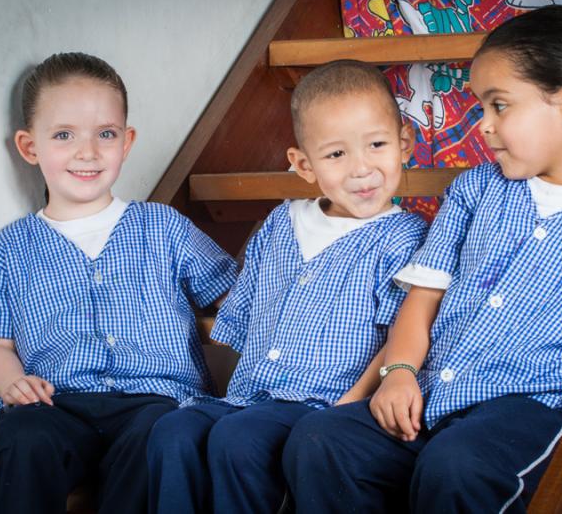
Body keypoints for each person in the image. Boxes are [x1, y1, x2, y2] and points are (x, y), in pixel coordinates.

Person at [282, 6, 562, 514]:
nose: (483, 126)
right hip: (432, 390)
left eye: (499, 106)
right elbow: (423, 298)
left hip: (524, 406)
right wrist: (398, 370)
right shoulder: (476, 190)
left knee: (459, 467)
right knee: (321, 438)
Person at [147, 60, 428, 514]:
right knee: (172, 431)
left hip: (323, 403)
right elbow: (244, 309)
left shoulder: (404, 237)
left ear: (404, 145)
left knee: (238, 439)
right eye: (336, 155)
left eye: (376, 145)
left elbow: (400, 336)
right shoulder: (281, 222)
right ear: (303, 164)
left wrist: (348, 407)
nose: (361, 169)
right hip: (249, 394)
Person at [0, 52, 238, 514]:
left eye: (105, 134)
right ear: (30, 147)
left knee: (161, 437)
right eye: (64, 135)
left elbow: (232, 296)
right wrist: (13, 383)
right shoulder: (10, 248)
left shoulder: (162, 227)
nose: (87, 152)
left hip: (156, 398)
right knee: (23, 435)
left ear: (126, 142)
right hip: (58, 402)